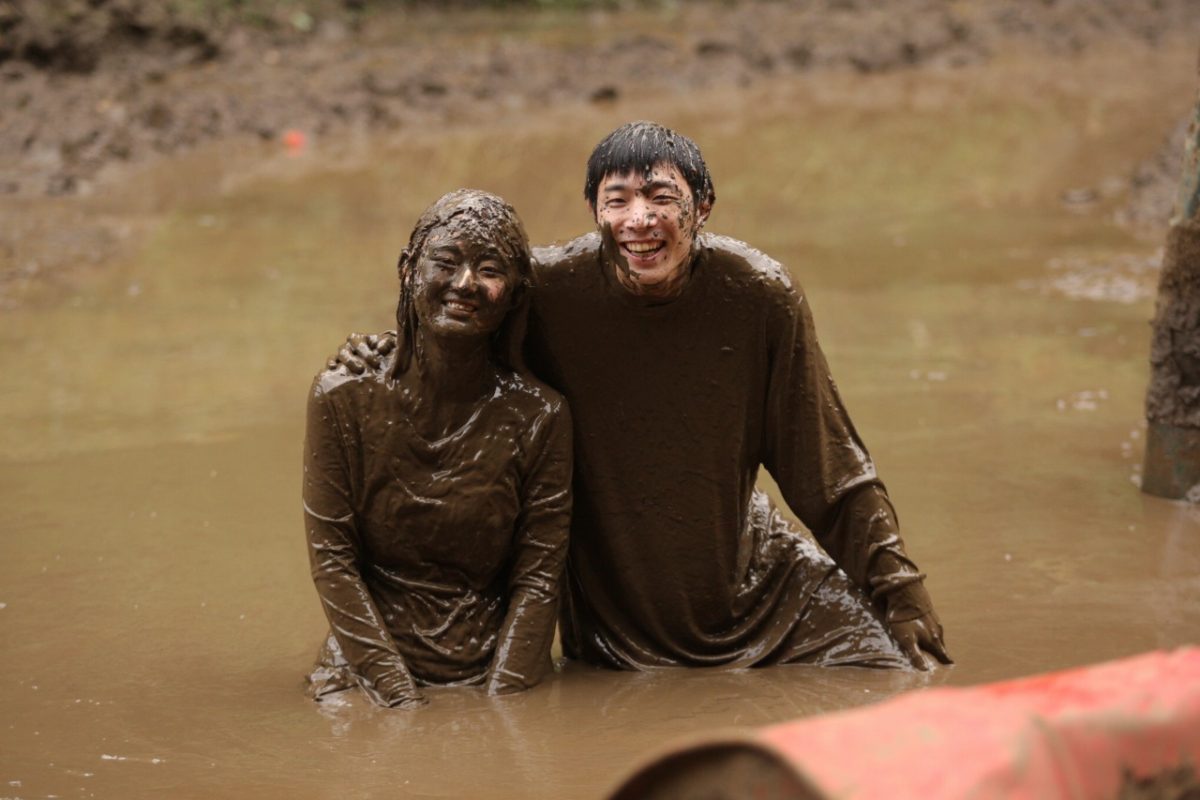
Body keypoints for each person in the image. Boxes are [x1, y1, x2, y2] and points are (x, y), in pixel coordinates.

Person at [337, 121, 951, 672]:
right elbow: (451, 336)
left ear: (702, 207)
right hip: (614, 616)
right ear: (593, 211)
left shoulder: (761, 294)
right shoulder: (545, 293)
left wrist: (900, 591)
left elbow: (829, 466)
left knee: (904, 668)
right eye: (618, 201)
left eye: (661, 198)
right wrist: (382, 352)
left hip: (759, 578)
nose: (640, 220)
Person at [304, 189, 572, 709]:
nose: (465, 284)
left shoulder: (541, 415)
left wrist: (503, 703)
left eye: (490, 270)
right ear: (408, 270)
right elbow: (333, 563)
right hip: (364, 671)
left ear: (515, 295)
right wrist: (398, 699)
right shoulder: (342, 397)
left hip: (501, 667)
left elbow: (539, 578)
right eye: (445, 263)